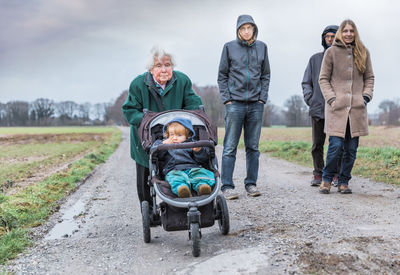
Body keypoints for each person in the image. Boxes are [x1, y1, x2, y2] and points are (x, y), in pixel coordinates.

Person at [122, 47, 202, 210]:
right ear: (151, 69)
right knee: (146, 172)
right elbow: (130, 110)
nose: (164, 69)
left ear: (173, 66)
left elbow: (192, 102)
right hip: (146, 136)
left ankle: (188, 201)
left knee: (184, 163)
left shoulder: (182, 80)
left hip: (176, 133)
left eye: (167, 65)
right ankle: (149, 210)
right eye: (158, 66)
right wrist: (147, 121)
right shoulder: (138, 84)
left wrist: (193, 116)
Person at [217, 15, 271, 199]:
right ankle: (227, 186)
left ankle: (251, 184)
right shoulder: (229, 47)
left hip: (256, 104)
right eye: (243, 28)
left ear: (254, 29)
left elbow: (266, 75)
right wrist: (227, 99)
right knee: (230, 146)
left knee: (253, 147)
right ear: (238, 30)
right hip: (235, 104)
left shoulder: (262, 47)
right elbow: (222, 75)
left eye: (250, 28)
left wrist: (262, 98)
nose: (246, 31)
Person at [319, 19, 374, 194]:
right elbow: (323, 79)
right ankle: (326, 179)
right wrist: (332, 99)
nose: (348, 34)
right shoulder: (331, 53)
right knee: (335, 147)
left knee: (351, 149)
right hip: (337, 108)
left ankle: (344, 181)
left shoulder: (363, 52)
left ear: (355, 33)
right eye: (345, 31)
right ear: (340, 33)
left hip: (357, 109)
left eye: (351, 31)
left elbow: (370, 78)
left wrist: (365, 96)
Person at [302, 25, 341, 187]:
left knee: (337, 145)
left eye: (333, 36)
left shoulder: (343, 59)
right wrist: (311, 100)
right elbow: (306, 82)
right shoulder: (315, 59)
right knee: (317, 144)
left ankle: (335, 174)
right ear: (323, 39)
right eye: (327, 37)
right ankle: (318, 173)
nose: (330, 39)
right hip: (318, 109)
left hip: (337, 109)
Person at [152, 117, 215, 198]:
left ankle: (202, 186)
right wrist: (163, 144)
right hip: (174, 169)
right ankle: (182, 189)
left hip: (192, 168)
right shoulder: (163, 144)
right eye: (171, 135)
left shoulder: (192, 144)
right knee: (176, 178)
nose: (174, 138)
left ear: (187, 136)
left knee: (200, 173)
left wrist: (198, 151)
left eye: (179, 135)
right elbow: (156, 154)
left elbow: (202, 160)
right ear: (167, 134)